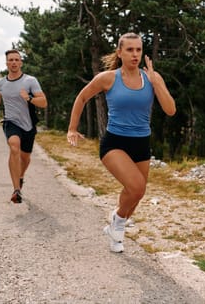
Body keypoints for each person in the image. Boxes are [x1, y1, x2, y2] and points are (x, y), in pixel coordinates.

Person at [66, 32, 176, 252]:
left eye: (138, 50)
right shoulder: (108, 78)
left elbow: (170, 110)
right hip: (115, 142)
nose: (135, 54)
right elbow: (82, 97)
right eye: (130, 50)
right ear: (120, 52)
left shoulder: (152, 78)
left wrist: (157, 83)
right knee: (136, 187)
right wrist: (72, 128)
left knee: (135, 193)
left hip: (141, 143)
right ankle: (118, 222)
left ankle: (116, 226)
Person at [0, 49, 47, 204]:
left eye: (17, 59)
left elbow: (43, 102)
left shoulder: (30, 81)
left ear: (21, 62)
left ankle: (20, 177)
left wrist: (28, 98)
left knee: (25, 157)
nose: (14, 62)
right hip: (11, 122)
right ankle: (16, 190)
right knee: (14, 146)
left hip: (28, 125)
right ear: (6, 63)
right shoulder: (0, 83)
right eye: (11, 60)